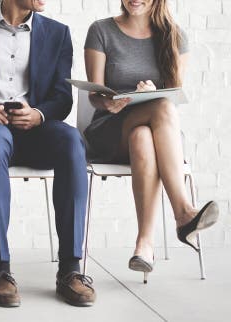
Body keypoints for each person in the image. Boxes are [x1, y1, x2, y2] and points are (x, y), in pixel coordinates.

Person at [0, 0, 96, 307]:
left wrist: (38, 114)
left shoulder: (58, 33)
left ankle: (70, 268)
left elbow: (62, 98)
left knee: (71, 140)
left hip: (34, 131)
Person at [83, 0, 220, 282]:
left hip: (153, 134)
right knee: (161, 109)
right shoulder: (101, 31)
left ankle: (144, 245)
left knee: (144, 135)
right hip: (110, 130)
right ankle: (183, 213)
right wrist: (109, 101)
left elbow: (174, 95)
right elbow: (93, 95)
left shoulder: (174, 36)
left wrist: (155, 91)